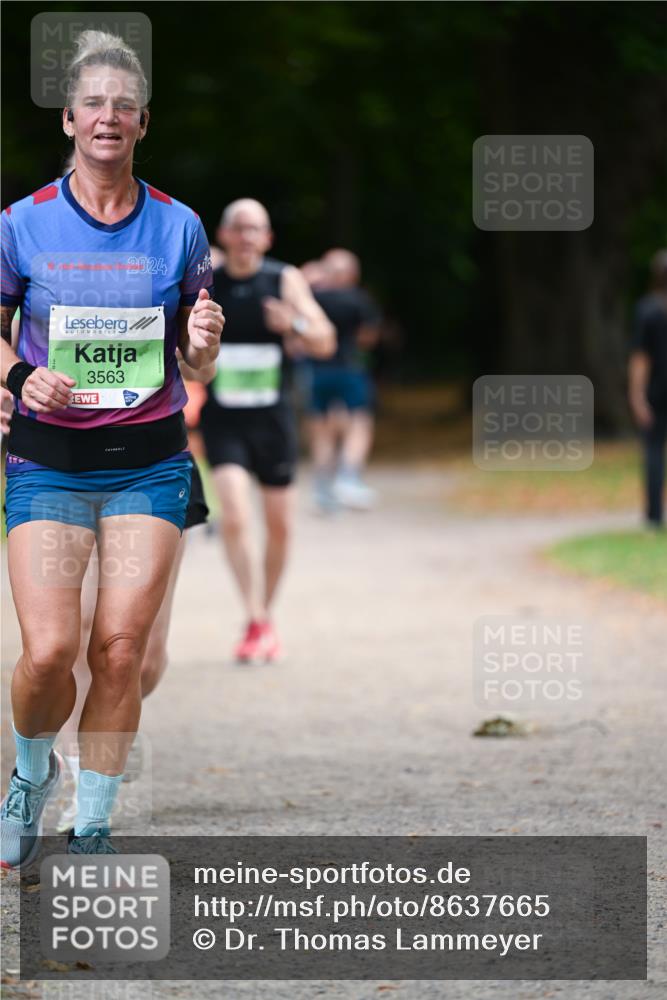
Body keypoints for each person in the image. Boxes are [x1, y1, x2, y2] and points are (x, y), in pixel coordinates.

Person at [0, 29, 224, 864]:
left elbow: (195, 358)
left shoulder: (179, 228)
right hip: (48, 462)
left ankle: (91, 819)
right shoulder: (20, 225)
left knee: (121, 648)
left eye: (123, 106)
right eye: (93, 103)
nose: (107, 117)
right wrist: (22, 377)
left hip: (149, 463)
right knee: (50, 650)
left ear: (142, 124)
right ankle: (29, 777)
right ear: (67, 119)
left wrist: (203, 339)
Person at [200, 198, 335, 662]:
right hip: (224, 420)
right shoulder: (207, 281)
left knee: (280, 527)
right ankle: (255, 616)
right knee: (235, 517)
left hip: (273, 420)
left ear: (268, 238)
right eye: (238, 228)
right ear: (223, 235)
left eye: (255, 229)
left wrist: (292, 322)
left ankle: (264, 617)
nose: (246, 237)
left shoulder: (284, 279)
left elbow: (326, 339)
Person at [304, 249, 381, 512]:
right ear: (352, 273)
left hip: (316, 370)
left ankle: (323, 488)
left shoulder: (313, 298)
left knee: (321, 428)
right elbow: (368, 337)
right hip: (349, 368)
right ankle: (348, 478)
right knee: (359, 422)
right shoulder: (359, 299)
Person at [628, 249, 667, 528]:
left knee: (653, 451)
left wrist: (637, 395)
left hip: (657, 391)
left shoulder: (648, 310)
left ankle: (654, 517)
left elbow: (641, 358)